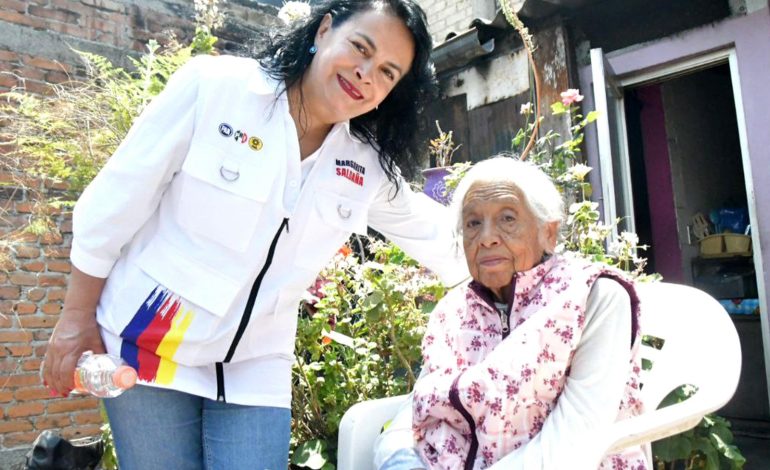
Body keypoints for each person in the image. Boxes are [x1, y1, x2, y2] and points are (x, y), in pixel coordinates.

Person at [41, 1, 468, 468]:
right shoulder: (216, 88)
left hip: (255, 362)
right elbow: (113, 205)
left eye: (388, 72)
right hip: (150, 340)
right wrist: (75, 319)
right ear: (325, 30)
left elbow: (436, 236)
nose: (366, 75)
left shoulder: (363, 164)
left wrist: (535, 267)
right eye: (360, 48)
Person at [374, 157, 649, 469]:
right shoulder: (453, 311)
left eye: (507, 218)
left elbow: (576, 437)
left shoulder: (593, 296)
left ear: (549, 233)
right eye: (473, 223)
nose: (487, 237)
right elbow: (421, 405)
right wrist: (398, 457)